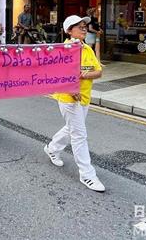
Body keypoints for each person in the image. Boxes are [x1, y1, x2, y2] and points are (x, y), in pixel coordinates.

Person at [44, 15, 105, 192]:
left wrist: (84, 75)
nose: (84, 29)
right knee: (79, 134)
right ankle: (87, 174)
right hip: (68, 98)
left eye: (85, 26)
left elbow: (98, 72)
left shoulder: (87, 49)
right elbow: (56, 75)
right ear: (69, 31)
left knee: (72, 129)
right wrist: (71, 88)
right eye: (79, 27)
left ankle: (52, 148)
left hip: (84, 97)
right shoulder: (63, 50)